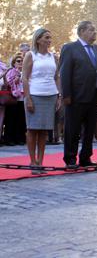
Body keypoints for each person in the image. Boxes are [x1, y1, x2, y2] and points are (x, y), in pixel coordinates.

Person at [59, 21, 97, 169]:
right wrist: (66, 94)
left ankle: (86, 157)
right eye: (91, 30)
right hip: (76, 96)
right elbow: (65, 72)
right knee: (73, 128)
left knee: (90, 128)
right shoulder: (70, 48)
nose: (94, 33)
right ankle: (70, 158)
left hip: (94, 95)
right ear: (82, 31)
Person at [21, 29, 61, 173]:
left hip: (50, 95)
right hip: (35, 94)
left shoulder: (53, 57)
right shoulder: (30, 55)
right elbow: (24, 77)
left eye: (50, 38)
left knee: (44, 130)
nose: (49, 40)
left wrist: (59, 95)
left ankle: (41, 161)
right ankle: (33, 162)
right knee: (32, 129)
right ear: (38, 40)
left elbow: (57, 76)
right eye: (46, 38)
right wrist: (28, 98)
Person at [4, 54, 27, 146]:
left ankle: (20, 138)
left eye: (22, 61)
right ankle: (9, 139)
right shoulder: (11, 71)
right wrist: (15, 80)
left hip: (23, 98)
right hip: (14, 98)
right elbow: (8, 83)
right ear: (13, 63)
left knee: (21, 119)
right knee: (11, 119)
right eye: (18, 61)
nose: (20, 63)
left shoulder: (25, 72)